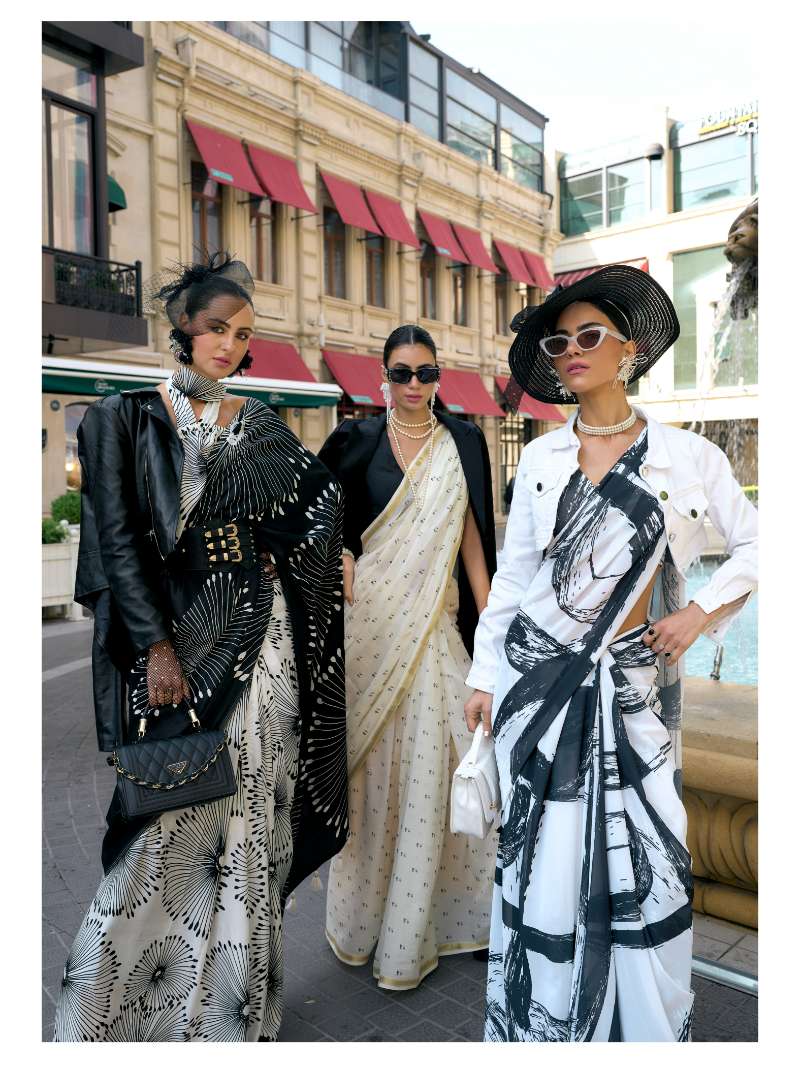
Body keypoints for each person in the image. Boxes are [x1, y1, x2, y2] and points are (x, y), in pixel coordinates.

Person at [53, 253, 348, 1043]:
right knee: (164, 824)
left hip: (265, 646)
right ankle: (112, 1017)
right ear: (182, 326)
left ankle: (231, 1012)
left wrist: (319, 558)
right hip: (178, 646)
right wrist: (157, 646)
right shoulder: (121, 418)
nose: (229, 343)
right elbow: (117, 543)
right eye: (217, 327)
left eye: (243, 334)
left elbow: (321, 504)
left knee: (253, 824)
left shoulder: (258, 423)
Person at [464, 266, 757, 1042]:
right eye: (558, 343)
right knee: (544, 863)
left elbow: (763, 543)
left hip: (634, 693)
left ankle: (636, 1031)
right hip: (539, 689)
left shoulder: (687, 456)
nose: (571, 351)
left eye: (588, 336)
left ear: (629, 349)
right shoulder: (541, 460)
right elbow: (515, 579)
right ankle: (548, 1023)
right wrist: (485, 676)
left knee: (650, 861)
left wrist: (699, 611)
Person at [320, 324, 498, 989]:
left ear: (438, 377)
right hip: (372, 628)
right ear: (383, 377)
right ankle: (369, 924)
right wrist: (339, 553)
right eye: (402, 373)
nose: (415, 384)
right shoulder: (356, 440)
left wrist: (493, 629)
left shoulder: (464, 443)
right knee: (375, 782)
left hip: (438, 628)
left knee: (447, 762)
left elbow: (474, 541)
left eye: (426, 372)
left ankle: (458, 915)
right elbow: (319, 514)